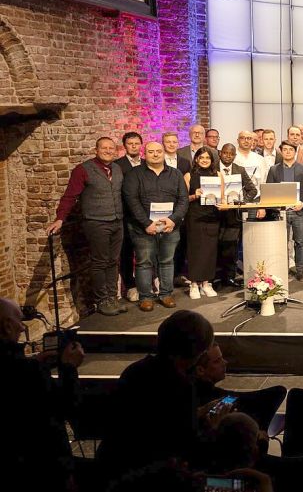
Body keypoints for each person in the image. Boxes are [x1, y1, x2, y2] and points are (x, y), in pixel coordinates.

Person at [98, 310, 228, 476]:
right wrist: (214, 428)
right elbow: (187, 449)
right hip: (150, 476)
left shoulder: (135, 370)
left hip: (112, 465)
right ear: (197, 354)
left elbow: (152, 420)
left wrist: (197, 413)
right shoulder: (179, 385)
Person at [1, 297, 83, 491]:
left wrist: (36, 363)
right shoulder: (26, 372)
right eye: (19, 321)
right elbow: (67, 408)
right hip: (40, 471)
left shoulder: (26, 368)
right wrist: (69, 368)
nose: (23, 328)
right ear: (6, 326)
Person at [47, 137, 127, 316]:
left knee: (114, 261)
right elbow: (70, 196)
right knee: (99, 262)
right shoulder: (83, 170)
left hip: (117, 221)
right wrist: (60, 218)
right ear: (96, 150)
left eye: (111, 148)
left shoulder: (117, 168)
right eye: (104, 148)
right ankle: (102, 300)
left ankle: (113, 297)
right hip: (96, 222)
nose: (107, 151)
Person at [122, 141, 189, 311]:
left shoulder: (175, 174)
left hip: (169, 227)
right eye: (151, 151)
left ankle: (166, 294)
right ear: (145, 154)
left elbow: (183, 199)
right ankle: (146, 297)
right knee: (144, 262)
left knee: (167, 261)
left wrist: (173, 219)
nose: (155, 154)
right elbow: (132, 200)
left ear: (163, 153)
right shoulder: (134, 174)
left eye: (158, 151)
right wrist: (146, 223)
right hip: (143, 228)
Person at [266, 142, 303, 280]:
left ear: (295, 151)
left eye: (291, 150)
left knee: (300, 242)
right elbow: (269, 191)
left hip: (299, 212)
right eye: (285, 150)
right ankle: (283, 270)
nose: (288, 152)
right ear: (281, 151)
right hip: (281, 212)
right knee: (282, 243)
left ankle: (300, 270)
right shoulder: (274, 170)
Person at [184, 148, 225, 299]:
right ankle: (194, 283)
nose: (205, 160)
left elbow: (222, 196)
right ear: (196, 159)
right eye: (202, 157)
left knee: (210, 251)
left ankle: (206, 284)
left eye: (208, 158)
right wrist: (195, 195)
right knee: (195, 250)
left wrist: (222, 204)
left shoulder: (218, 175)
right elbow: (183, 199)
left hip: (212, 216)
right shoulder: (189, 176)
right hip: (194, 217)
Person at [216, 144, 258, 286]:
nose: (228, 156)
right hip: (213, 214)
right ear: (220, 153)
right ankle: (213, 277)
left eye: (231, 154)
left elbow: (252, 190)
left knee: (231, 248)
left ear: (234, 156)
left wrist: (241, 202)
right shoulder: (212, 168)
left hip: (233, 216)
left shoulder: (239, 170)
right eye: (225, 153)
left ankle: (229, 277)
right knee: (214, 247)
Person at [116, 131, 144, 302]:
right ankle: (130, 286)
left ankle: (146, 284)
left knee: (146, 252)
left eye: (136, 143)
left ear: (141, 145)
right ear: (125, 146)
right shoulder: (118, 165)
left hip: (146, 215)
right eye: (130, 144)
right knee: (126, 252)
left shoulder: (147, 163)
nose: (134, 146)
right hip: (126, 215)